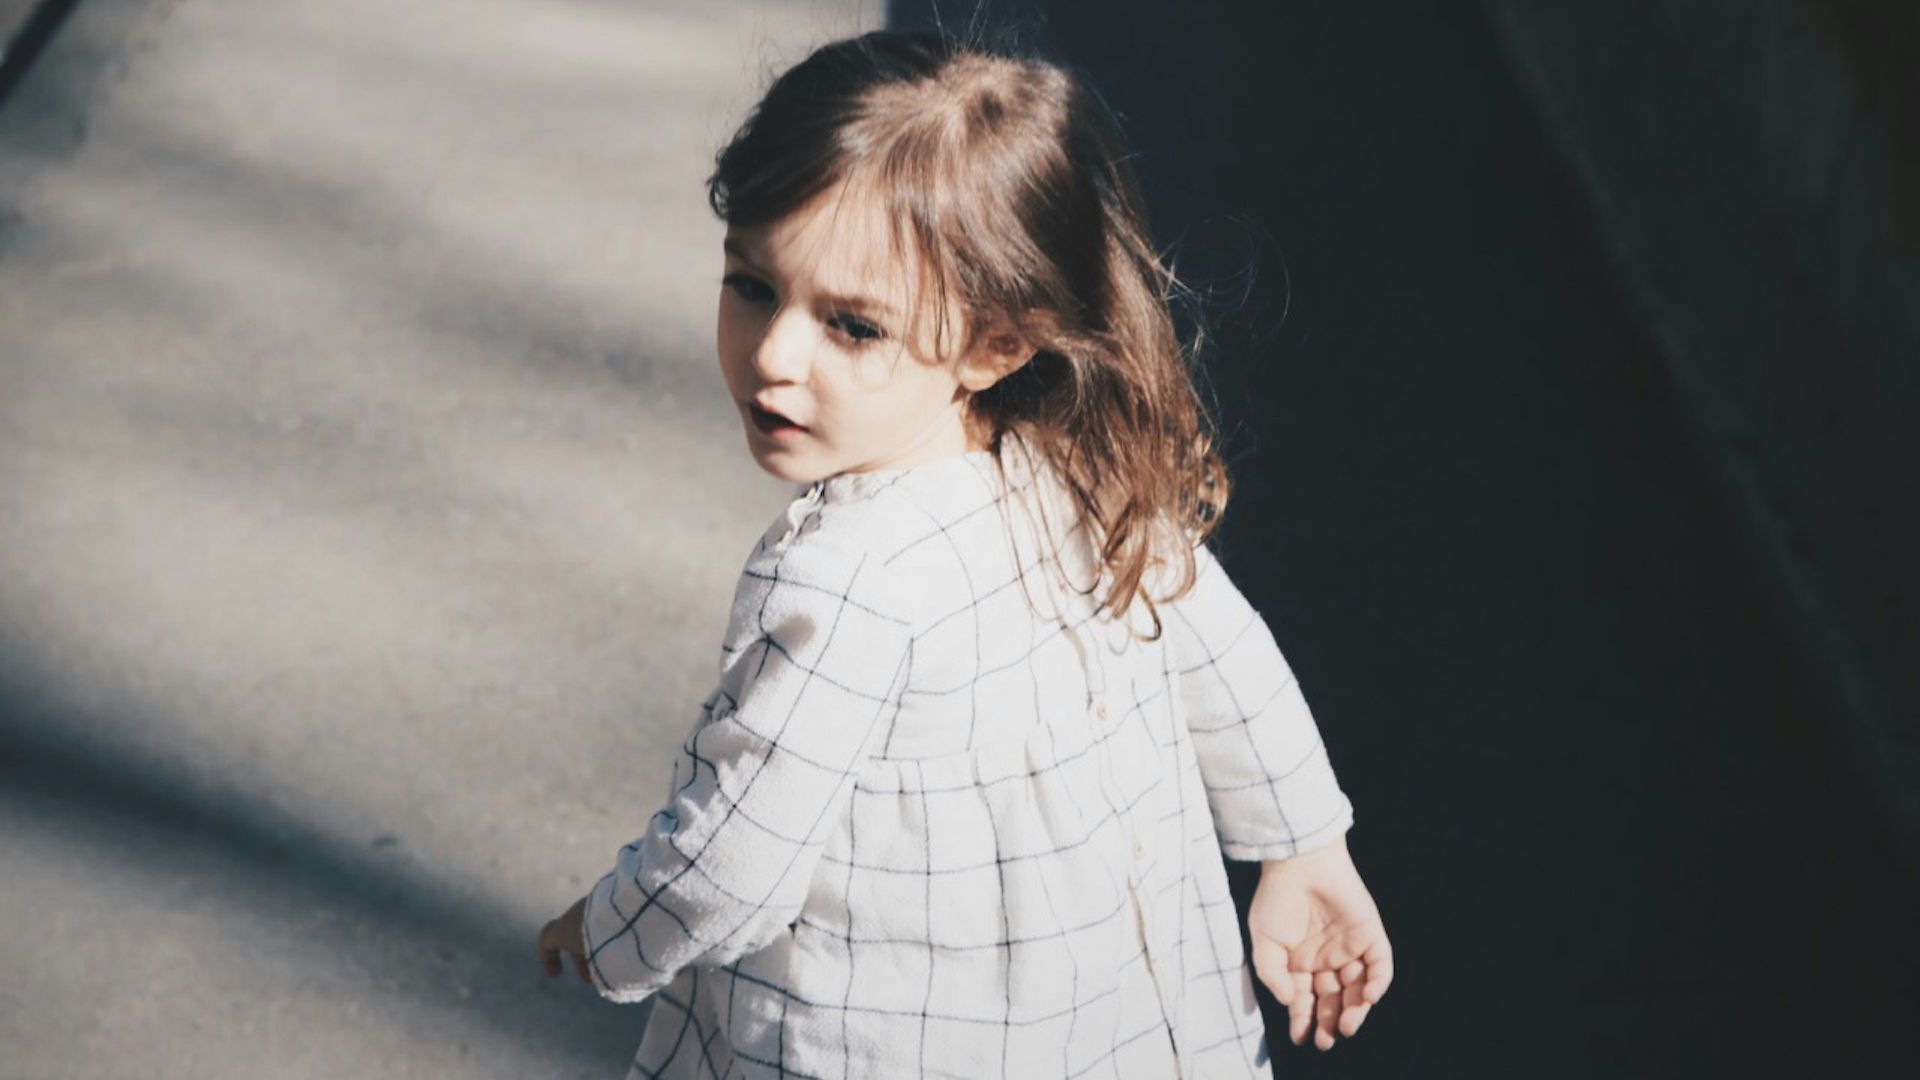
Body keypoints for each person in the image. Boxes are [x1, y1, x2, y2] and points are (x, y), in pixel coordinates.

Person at [536, 26, 1391, 1079]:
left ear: (1000, 343)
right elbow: (1223, 655)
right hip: (1124, 1033)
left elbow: (736, 863)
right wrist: (1302, 844)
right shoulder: (1075, 474)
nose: (772, 355)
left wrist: (611, 930)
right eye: (751, 285)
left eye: (853, 326)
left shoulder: (840, 576)